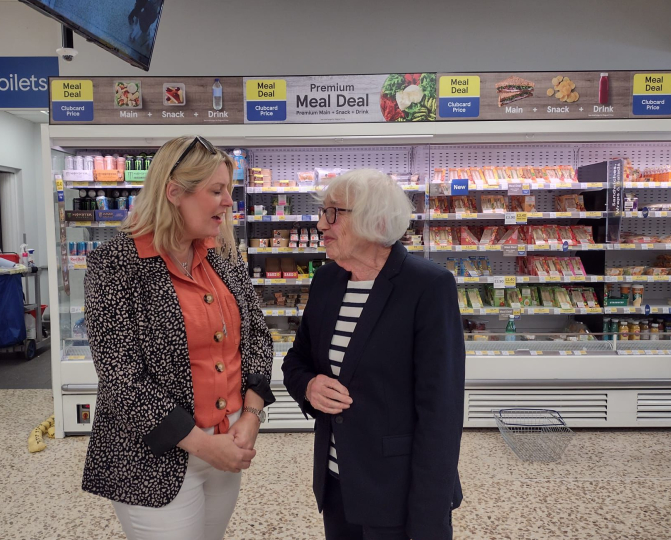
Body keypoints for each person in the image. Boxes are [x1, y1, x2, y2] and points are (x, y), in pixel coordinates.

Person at [82, 136, 274, 540]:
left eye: (229, 190)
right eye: (216, 191)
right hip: (153, 457)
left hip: (229, 444)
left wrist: (252, 414)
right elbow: (122, 379)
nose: (228, 202)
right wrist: (206, 446)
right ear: (174, 193)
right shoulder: (116, 265)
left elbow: (257, 335)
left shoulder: (222, 256)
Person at [282, 169, 465, 540]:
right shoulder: (327, 281)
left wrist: (428, 518)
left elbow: (440, 414)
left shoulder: (427, 286)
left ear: (375, 220)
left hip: (397, 493)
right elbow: (295, 361)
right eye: (323, 212)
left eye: (334, 213)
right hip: (336, 485)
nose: (320, 224)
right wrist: (309, 387)